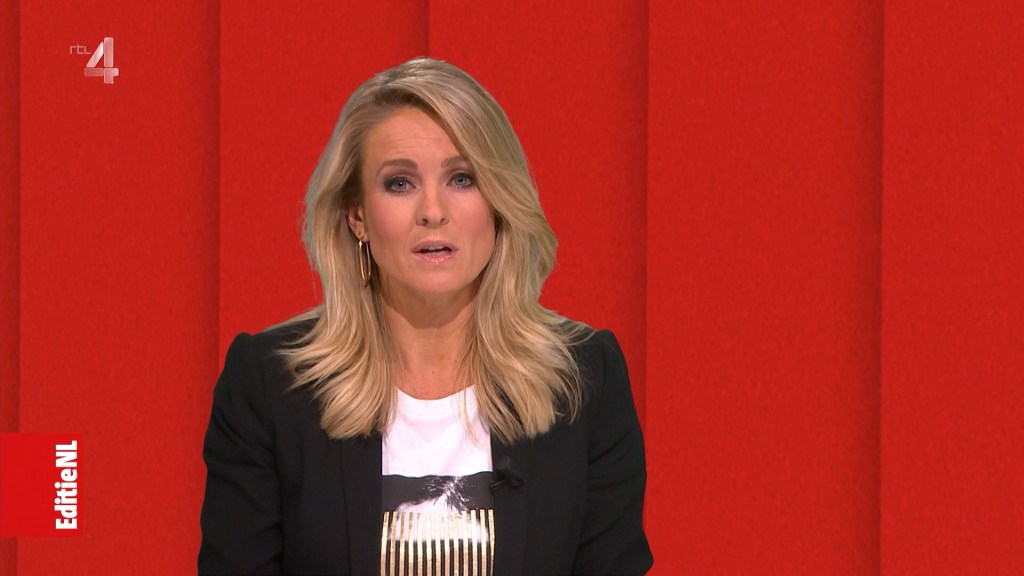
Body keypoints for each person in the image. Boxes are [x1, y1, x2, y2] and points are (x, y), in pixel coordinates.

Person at [198, 57, 652, 576]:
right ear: (357, 216)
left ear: (498, 201)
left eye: (462, 178)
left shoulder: (584, 382)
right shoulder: (269, 387)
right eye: (400, 183)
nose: (433, 211)